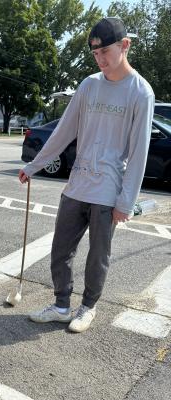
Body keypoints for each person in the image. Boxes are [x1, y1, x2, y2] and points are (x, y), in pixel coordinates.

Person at [19, 17, 154, 333]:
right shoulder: (89, 85)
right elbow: (63, 130)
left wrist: (126, 201)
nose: (100, 59)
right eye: (95, 54)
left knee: (98, 257)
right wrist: (33, 166)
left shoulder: (140, 92)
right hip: (77, 184)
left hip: (108, 191)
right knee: (60, 250)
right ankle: (62, 304)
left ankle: (88, 307)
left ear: (124, 46)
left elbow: (139, 153)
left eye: (105, 51)